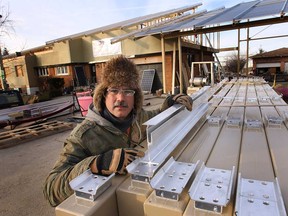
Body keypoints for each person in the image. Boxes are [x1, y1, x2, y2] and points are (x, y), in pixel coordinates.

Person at [43, 55, 193, 207]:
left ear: (136, 97)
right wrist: (95, 164)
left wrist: (170, 103)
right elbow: (51, 190)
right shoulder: (85, 135)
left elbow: (156, 117)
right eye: (114, 90)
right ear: (103, 94)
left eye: (128, 91)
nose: (121, 98)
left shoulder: (137, 118)